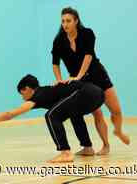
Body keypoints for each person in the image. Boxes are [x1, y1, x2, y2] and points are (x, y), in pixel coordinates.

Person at [51, 7, 130, 155]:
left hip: (97, 75)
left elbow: (88, 56)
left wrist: (79, 75)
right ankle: (106, 145)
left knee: (116, 111)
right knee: (97, 113)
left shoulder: (87, 33)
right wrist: (59, 80)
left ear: (76, 21)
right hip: (83, 83)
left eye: (68, 21)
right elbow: (55, 63)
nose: (65, 24)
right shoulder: (59, 41)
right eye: (62, 21)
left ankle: (118, 130)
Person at [0, 74, 104, 163]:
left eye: (22, 94)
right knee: (74, 114)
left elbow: (10, 114)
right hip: (98, 94)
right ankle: (87, 148)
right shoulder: (47, 91)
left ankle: (65, 152)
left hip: (86, 92)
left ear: (27, 88)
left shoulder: (38, 95)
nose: (23, 98)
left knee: (51, 115)